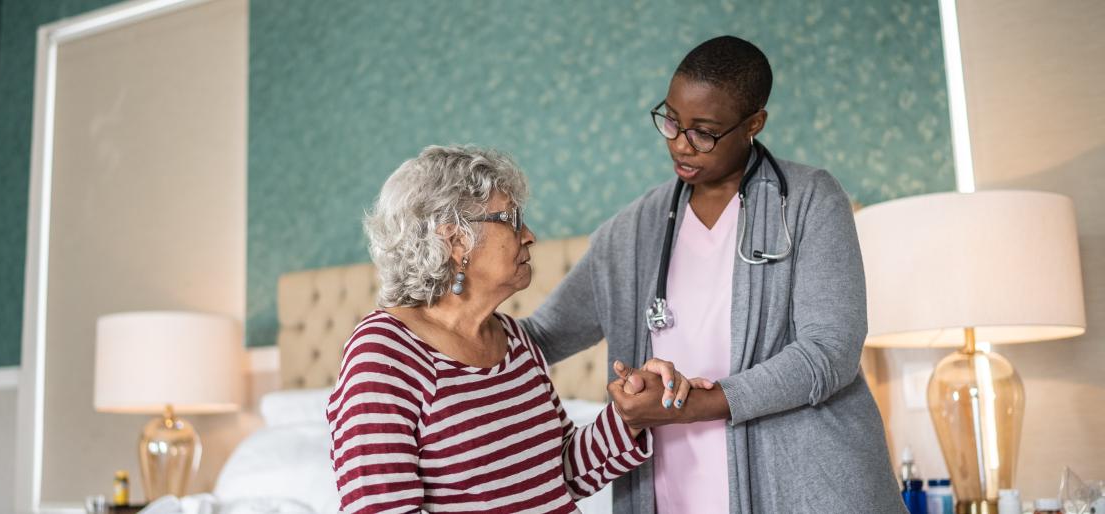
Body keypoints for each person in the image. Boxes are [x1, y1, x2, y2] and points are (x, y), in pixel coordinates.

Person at [521, 36, 905, 513]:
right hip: (674, 484)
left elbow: (829, 353)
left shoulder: (808, 201)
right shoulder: (631, 232)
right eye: (672, 122)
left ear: (753, 124)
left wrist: (695, 404)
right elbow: (538, 337)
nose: (681, 144)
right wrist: (430, 326)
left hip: (803, 482)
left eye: (704, 131)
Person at [326, 145, 679, 513]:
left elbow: (559, 476)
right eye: (512, 219)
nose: (529, 235)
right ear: (456, 240)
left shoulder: (514, 339)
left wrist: (628, 417)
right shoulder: (383, 355)